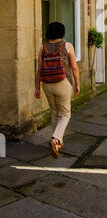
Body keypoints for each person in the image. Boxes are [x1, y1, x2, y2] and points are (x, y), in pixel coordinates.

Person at [34, 22, 80, 158]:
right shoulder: (67, 46)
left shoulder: (43, 48)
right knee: (65, 114)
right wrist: (77, 83)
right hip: (63, 83)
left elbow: (38, 71)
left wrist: (36, 87)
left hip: (47, 84)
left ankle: (58, 143)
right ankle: (55, 139)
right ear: (62, 32)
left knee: (54, 113)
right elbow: (75, 67)